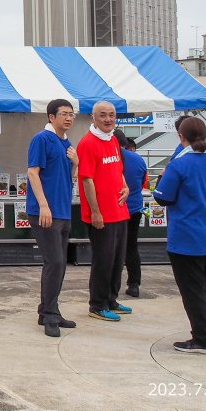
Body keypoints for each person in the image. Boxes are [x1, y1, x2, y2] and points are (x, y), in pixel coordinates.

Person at [153, 117, 206, 354]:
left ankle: (203, 339)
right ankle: (204, 331)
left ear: (181, 137)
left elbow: (163, 197)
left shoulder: (179, 164)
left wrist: (160, 178)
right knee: (203, 287)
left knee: (192, 290)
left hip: (187, 236)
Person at [26, 98, 78, 338]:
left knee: (60, 264)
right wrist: (44, 205)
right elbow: (32, 173)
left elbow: (68, 178)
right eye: (64, 114)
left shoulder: (66, 143)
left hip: (63, 210)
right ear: (51, 117)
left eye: (71, 114)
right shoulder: (42, 139)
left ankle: (49, 310)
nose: (69, 118)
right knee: (54, 262)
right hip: (45, 211)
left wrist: (75, 163)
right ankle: (49, 314)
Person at [78, 101, 131, 322]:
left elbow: (118, 169)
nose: (108, 119)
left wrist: (126, 186)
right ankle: (97, 304)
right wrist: (96, 212)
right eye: (103, 115)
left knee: (118, 260)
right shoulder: (87, 143)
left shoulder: (114, 141)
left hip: (120, 211)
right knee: (103, 260)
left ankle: (111, 299)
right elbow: (87, 180)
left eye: (111, 115)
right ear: (93, 118)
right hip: (102, 216)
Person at [118, 133, 148, 299]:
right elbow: (144, 180)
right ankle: (134, 283)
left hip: (116, 208)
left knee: (112, 248)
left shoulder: (112, 158)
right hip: (135, 207)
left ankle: (110, 285)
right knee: (131, 246)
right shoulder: (138, 160)